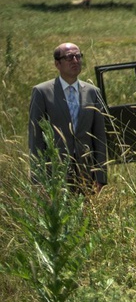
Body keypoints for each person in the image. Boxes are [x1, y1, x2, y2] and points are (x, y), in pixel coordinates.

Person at [28, 42, 109, 192]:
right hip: (54, 171)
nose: (75, 61)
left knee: (87, 215)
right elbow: (35, 137)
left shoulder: (93, 92)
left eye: (78, 56)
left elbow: (99, 136)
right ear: (57, 64)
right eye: (70, 57)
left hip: (86, 171)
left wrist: (100, 175)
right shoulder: (42, 92)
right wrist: (38, 179)